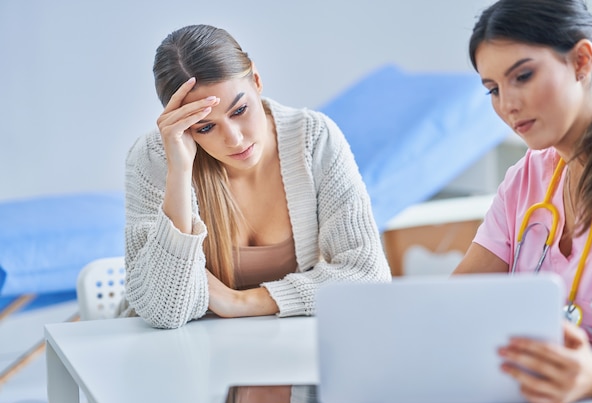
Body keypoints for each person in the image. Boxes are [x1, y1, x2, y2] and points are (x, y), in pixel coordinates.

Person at [117, 24, 391, 329]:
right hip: (177, 354)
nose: (234, 139)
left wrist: (240, 302)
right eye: (205, 127)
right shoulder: (156, 157)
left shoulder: (313, 138)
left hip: (284, 346)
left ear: (257, 80)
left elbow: (368, 276)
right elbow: (164, 311)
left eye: (239, 110)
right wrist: (180, 172)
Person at [453, 0, 592, 403]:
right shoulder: (527, 178)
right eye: (493, 89)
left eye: (523, 76)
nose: (507, 104)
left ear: (582, 61)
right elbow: (456, 304)